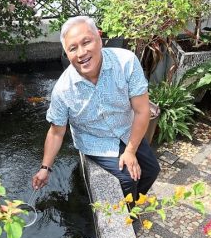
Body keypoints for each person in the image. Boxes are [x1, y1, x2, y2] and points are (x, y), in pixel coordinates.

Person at [32, 16, 160, 205]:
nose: (81, 52)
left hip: (125, 128)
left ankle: (134, 203)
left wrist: (130, 151)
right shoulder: (63, 90)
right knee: (127, 178)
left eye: (86, 42)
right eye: (73, 48)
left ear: (99, 39)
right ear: (67, 54)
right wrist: (45, 168)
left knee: (151, 170)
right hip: (95, 139)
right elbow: (57, 132)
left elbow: (142, 111)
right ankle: (128, 219)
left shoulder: (126, 62)